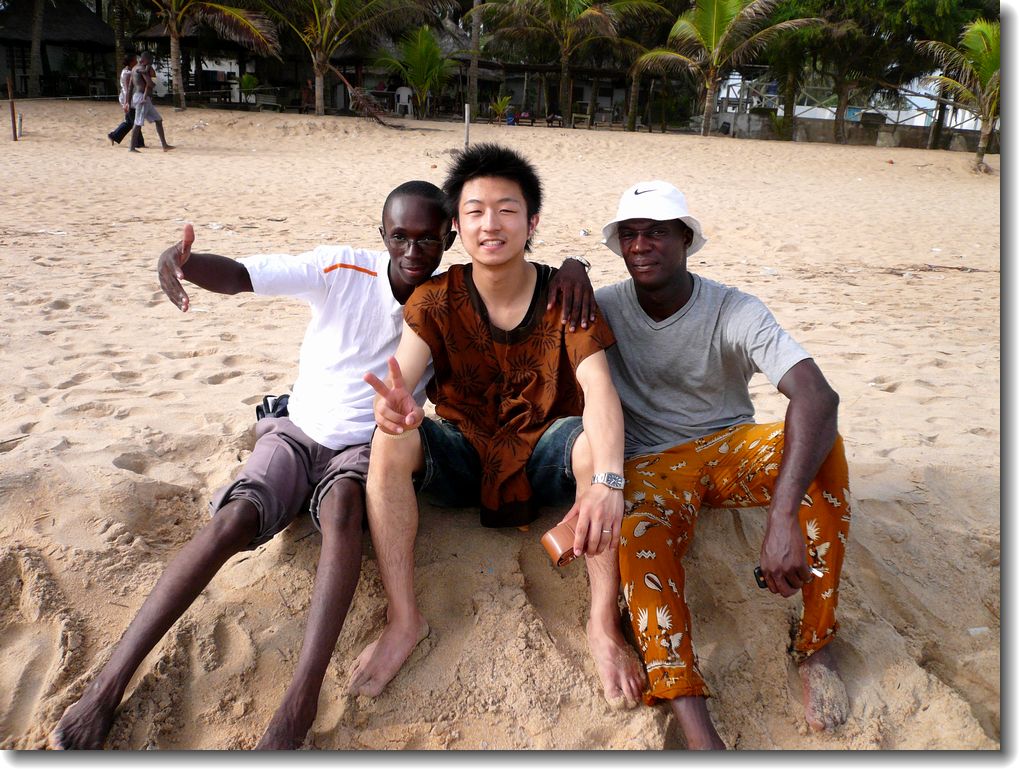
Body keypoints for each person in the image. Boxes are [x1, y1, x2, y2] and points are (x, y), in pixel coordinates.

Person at [49, 181, 594, 751]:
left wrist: (575, 265)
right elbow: (242, 276)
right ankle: (106, 688)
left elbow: (519, 281)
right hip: (299, 429)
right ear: (381, 234)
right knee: (232, 521)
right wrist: (184, 262)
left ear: (447, 238)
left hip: (366, 447)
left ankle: (300, 700)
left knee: (341, 513)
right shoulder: (340, 270)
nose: (412, 251)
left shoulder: (447, 298)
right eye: (400, 237)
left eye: (428, 239)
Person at [349, 143, 645, 709]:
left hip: (545, 456)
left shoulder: (565, 297)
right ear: (456, 226)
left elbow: (600, 391)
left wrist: (610, 480)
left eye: (507, 210)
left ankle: (602, 624)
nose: (491, 224)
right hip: (463, 452)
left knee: (592, 448)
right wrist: (393, 412)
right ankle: (403, 618)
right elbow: (400, 381)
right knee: (390, 439)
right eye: (475, 211)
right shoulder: (435, 299)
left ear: (532, 223)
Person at [594, 181, 851, 749]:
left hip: (730, 449)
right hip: (649, 467)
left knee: (824, 446)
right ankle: (696, 726)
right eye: (629, 235)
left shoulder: (734, 309)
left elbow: (817, 396)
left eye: (657, 233)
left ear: (686, 239)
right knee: (638, 543)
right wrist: (569, 268)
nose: (641, 245)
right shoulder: (603, 306)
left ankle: (817, 643)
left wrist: (781, 517)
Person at [127, 51, 173, 153]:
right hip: (141, 98)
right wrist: (150, 78)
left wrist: (128, 102)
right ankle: (131, 148)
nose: (151, 63)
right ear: (145, 60)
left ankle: (164, 145)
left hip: (142, 98)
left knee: (158, 120)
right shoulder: (142, 69)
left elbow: (130, 87)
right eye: (150, 61)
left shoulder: (134, 68)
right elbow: (150, 84)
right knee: (138, 123)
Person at [108, 53, 144, 147]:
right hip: (128, 99)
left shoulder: (129, 71)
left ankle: (114, 136)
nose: (137, 61)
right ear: (131, 62)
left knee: (129, 121)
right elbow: (128, 89)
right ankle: (138, 142)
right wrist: (127, 103)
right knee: (134, 121)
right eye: (135, 60)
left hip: (129, 99)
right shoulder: (127, 73)